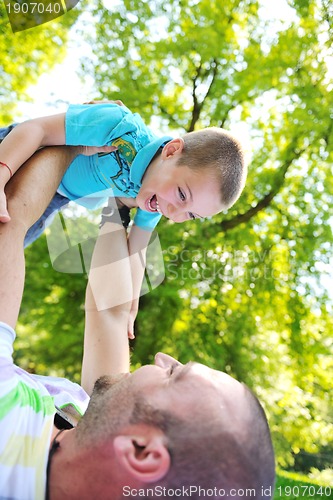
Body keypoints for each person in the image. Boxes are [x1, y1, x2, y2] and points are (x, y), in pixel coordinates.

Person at [0, 147, 275, 499]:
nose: (162, 357)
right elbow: (109, 314)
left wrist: (73, 138)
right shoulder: (89, 423)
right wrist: (121, 206)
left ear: (142, 452)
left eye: (175, 374)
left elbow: (12, 215)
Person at [0, 101, 247, 337]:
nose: (174, 213)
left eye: (191, 215)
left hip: (51, 198)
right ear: (171, 151)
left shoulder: (155, 198)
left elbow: (137, 250)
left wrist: (130, 307)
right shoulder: (120, 129)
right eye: (182, 195)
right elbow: (36, 130)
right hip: (17, 155)